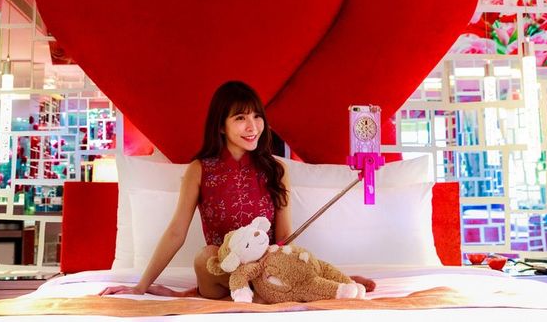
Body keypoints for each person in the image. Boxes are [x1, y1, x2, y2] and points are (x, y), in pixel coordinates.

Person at [100, 80, 374, 299]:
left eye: (257, 116)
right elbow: (176, 232)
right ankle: (293, 290)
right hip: (219, 274)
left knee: (279, 262)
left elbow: (284, 239)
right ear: (221, 126)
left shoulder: (277, 170)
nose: (252, 126)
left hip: (266, 271)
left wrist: (313, 272)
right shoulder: (200, 169)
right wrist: (140, 287)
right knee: (205, 256)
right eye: (241, 118)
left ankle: (321, 284)